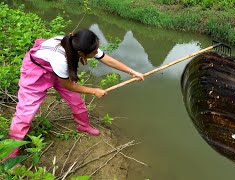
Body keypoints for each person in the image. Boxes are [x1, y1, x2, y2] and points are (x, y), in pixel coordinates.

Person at [3, 29, 144, 162]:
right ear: (81, 53)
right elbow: (68, 86)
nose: (96, 52)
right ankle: (9, 156)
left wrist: (132, 72)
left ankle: (83, 126)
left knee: (76, 100)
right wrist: (94, 91)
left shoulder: (78, 43)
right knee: (25, 114)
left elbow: (106, 59)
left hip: (57, 71)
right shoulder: (61, 60)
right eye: (93, 51)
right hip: (37, 72)